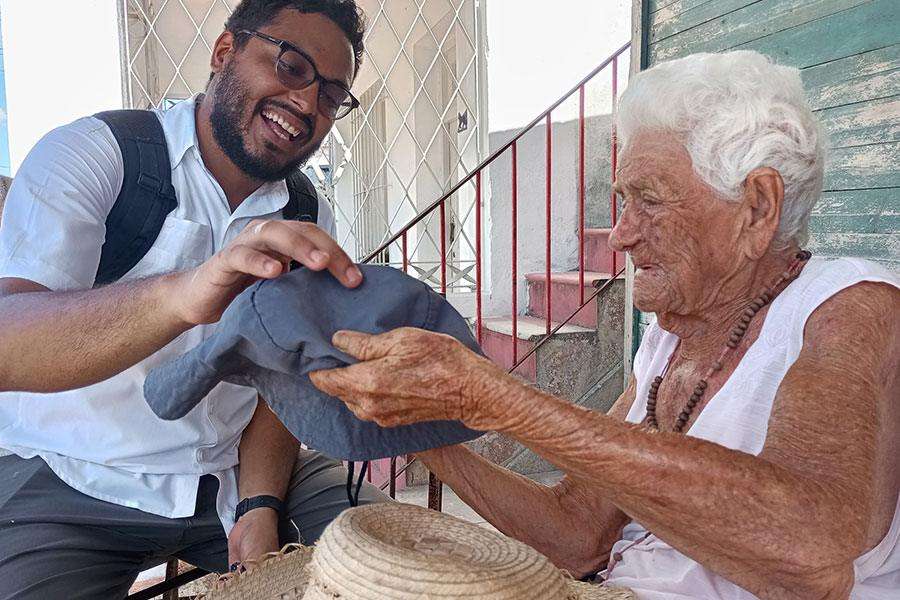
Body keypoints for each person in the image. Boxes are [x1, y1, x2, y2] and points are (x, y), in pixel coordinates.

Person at [311, 51, 900, 599]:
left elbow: (812, 552)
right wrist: (418, 427)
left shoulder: (852, 310)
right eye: (622, 199)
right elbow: (577, 535)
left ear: (757, 207)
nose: (620, 233)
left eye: (649, 200)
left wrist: (495, 399)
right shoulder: (674, 337)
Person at [0, 2, 388, 598]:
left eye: (332, 95)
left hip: (232, 471)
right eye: (291, 66)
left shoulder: (304, 211)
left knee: (389, 563)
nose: (308, 105)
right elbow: (8, 342)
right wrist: (185, 293)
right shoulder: (97, 154)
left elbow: (282, 379)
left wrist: (259, 502)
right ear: (225, 52)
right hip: (68, 476)